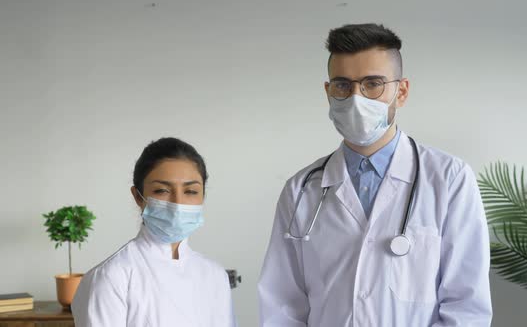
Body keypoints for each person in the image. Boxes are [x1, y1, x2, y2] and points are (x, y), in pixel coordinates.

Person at [258, 23, 492, 326]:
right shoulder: (301, 189)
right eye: (343, 85)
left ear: (402, 91)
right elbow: (282, 305)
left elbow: (466, 306)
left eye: (373, 84)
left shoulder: (449, 179)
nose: (356, 98)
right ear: (328, 92)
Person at [72, 137, 236, 327]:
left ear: (203, 195)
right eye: (161, 190)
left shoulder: (215, 276)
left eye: (191, 191)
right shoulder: (112, 277)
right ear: (138, 197)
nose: (177, 203)